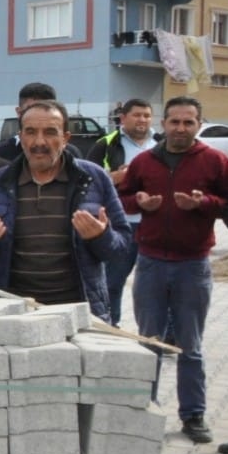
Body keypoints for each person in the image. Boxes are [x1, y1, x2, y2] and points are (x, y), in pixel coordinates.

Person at [119, 97, 228, 445]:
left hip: (193, 265)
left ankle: (193, 415)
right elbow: (119, 197)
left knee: (190, 345)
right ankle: (144, 411)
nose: (181, 128)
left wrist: (204, 204)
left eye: (188, 122)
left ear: (199, 124)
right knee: (149, 342)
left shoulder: (215, 161)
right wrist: (139, 203)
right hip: (150, 262)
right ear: (163, 124)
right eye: (175, 122)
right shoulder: (144, 161)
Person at [0, 100, 131, 321]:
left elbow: (121, 248)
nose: (39, 142)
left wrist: (100, 236)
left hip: (78, 314)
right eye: (31, 132)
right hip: (12, 313)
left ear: (66, 138)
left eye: (50, 132)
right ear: (21, 136)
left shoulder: (94, 178)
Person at [86, 98, 156, 326]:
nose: (142, 120)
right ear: (123, 118)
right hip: (121, 224)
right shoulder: (106, 144)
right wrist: (113, 177)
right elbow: (87, 181)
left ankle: (162, 335)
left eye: (146, 115)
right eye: (137, 115)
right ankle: (109, 327)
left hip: (155, 226)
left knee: (158, 286)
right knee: (112, 283)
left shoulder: (161, 144)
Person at [0, 81, 80, 162]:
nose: (39, 142)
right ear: (19, 112)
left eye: (45, 110)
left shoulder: (70, 153)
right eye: (30, 110)